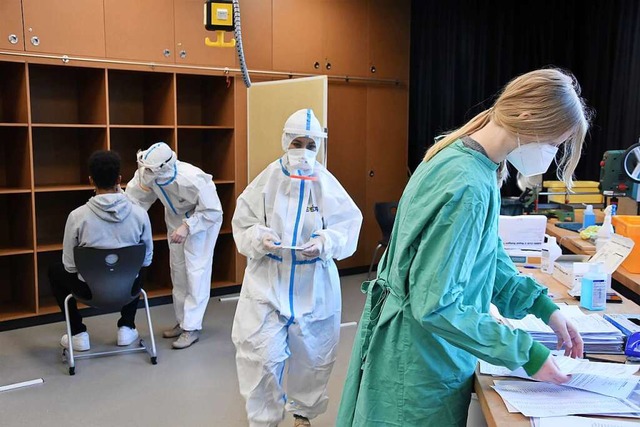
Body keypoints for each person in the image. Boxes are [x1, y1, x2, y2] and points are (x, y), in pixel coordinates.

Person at [337, 68, 591, 426]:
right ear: (526, 117)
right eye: (554, 142)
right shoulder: (467, 185)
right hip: (419, 360)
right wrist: (525, 353)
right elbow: (437, 306)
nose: (551, 154)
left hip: (418, 349)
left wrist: (542, 305)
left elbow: (484, 255)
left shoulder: (466, 159)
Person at [232, 108, 363, 427]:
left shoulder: (326, 184)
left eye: (310, 144)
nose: (303, 151)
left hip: (314, 284)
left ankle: (303, 414)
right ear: (285, 142)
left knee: (314, 358)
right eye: (296, 143)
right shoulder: (267, 180)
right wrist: (259, 237)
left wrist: (324, 242)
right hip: (267, 284)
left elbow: (348, 225)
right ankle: (263, 421)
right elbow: (243, 224)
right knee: (261, 358)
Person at [49, 150, 153, 351]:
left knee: (55, 270)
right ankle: (126, 327)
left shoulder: (77, 216)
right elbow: (147, 259)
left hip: (88, 292)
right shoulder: (140, 214)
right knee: (141, 265)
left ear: (90, 180)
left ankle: (78, 333)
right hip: (127, 290)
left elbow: (69, 265)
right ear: (120, 179)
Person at [125, 142, 222, 349]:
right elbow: (135, 199)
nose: (145, 173)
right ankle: (182, 321)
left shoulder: (193, 178)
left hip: (201, 221)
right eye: (144, 168)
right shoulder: (149, 173)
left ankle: (192, 328)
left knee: (196, 271)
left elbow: (213, 211)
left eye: (149, 170)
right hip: (175, 220)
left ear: (165, 167)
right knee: (178, 271)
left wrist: (188, 227)